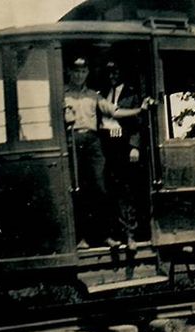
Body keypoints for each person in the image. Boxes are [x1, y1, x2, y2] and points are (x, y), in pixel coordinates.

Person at [63, 57, 150, 249]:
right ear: (70, 72)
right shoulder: (62, 94)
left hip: (95, 143)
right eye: (76, 71)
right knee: (78, 190)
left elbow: (116, 112)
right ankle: (82, 238)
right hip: (73, 141)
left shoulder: (95, 95)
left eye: (83, 71)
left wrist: (139, 110)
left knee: (101, 189)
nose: (79, 75)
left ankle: (107, 236)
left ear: (87, 74)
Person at [99, 61, 143, 250]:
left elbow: (137, 124)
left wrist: (135, 147)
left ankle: (130, 236)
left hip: (124, 148)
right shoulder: (102, 94)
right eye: (109, 72)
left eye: (116, 71)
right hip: (106, 148)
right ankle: (112, 235)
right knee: (109, 191)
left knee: (126, 192)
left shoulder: (132, 95)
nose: (112, 76)